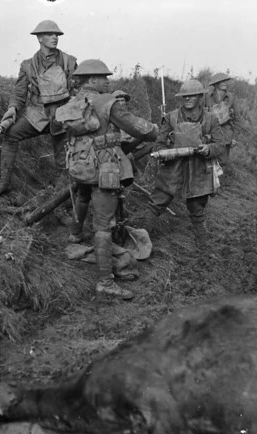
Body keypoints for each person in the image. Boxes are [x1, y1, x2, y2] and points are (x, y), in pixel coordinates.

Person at [55, 59, 157, 299]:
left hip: (81, 165)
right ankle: (105, 281)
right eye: (104, 77)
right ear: (92, 79)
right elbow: (137, 128)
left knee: (82, 194)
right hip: (104, 168)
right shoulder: (106, 102)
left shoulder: (73, 102)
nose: (108, 81)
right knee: (103, 225)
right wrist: (156, 130)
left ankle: (74, 234)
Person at [0, 20, 77, 198]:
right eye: (50, 34)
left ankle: (60, 197)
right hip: (37, 112)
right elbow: (19, 94)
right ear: (39, 38)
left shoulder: (70, 62)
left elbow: (78, 91)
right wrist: (12, 109)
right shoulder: (28, 65)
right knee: (11, 134)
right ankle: (4, 182)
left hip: (62, 114)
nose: (55, 37)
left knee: (63, 158)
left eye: (56, 34)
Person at [147, 79, 225, 241]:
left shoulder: (211, 119)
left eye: (192, 96)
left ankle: (204, 248)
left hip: (199, 168)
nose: (188, 99)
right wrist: (168, 152)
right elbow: (158, 145)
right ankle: (140, 238)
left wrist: (208, 148)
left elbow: (220, 145)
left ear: (200, 97)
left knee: (197, 208)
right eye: (185, 96)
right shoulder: (171, 118)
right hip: (173, 167)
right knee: (157, 203)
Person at [204, 72, 235, 162]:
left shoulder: (231, 97)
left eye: (226, 81)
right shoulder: (207, 97)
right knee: (208, 162)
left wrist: (235, 138)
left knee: (222, 162)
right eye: (222, 81)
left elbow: (237, 119)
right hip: (210, 135)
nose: (225, 83)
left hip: (225, 135)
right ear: (216, 84)